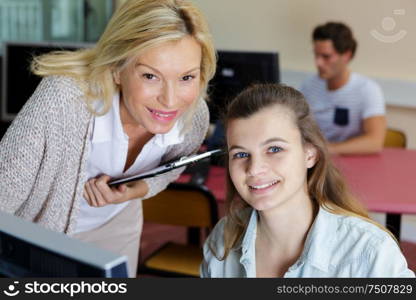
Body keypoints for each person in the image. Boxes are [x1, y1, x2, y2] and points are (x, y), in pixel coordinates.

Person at [0, 0, 216, 277]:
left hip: (118, 224)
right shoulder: (64, 99)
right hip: (42, 232)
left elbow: (173, 168)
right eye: (150, 76)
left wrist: (138, 190)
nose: (170, 100)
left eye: (186, 77)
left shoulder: (194, 113)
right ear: (117, 69)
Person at [201, 83, 414, 277]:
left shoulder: (369, 252)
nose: (254, 169)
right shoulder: (223, 240)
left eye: (274, 149)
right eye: (240, 154)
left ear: (310, 154)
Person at [300, 22, 386, 155]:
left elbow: (374, 142)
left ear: (346, 55)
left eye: (326, 56)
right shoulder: (308, 85)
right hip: (315, 161)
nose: (318, 63)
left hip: (349, 163)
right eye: (316, 55)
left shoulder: (367, 90)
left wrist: (325, 150)